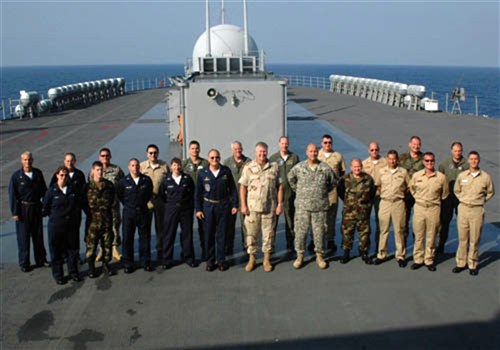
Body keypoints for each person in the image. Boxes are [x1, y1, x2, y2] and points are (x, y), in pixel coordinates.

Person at [288, 143, 337, 270]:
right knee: (300, 232)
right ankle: (300, 256)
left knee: (319, 232)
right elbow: (291, 179)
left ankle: (319, 256)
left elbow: (333, 182)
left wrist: (322, 193)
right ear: (306, 152)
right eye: (311, 151)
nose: (313, 153)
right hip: (303, 207)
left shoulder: (325, 168)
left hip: (319, 207)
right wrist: (299, 191)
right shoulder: (299, 167)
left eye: (315, 151)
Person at [239, 142, 283, 272]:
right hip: (252, 209)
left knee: (268, 235)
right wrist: (243, 205)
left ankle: (266, 260)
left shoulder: (274, 167)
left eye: (264, 152)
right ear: (255, 152)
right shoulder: (248, 167)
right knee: (251, 235)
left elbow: (279, 187)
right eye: (260, 152)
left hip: (269, 208)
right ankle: (252, 259)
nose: (262, 154)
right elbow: (243, 187)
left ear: (267, 152)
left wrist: (280, 204)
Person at [195, 149, 238, 272]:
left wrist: (235, 204)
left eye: (217, 157)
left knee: (221, 234)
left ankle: (221, 260)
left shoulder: (225, 171)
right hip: (208, 206)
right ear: (208, 159)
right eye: (212, 158)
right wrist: (198, 209)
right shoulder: (203, 173)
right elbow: (198, 193)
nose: (215, 160)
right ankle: (210, 261)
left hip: (223, 206)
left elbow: (233, 189)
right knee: (208, 234)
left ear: (219, 158)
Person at [452, 151, 495, 276]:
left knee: (474, 239)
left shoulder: (485, 177)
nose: (473, 161)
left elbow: (491, 192)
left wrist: (481, 201)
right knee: (462, 238)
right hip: (464, 209)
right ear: (468, 161)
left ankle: (472, 264)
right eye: (471, 159)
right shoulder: (462, 176)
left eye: (476, 159)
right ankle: (461, 263)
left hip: (477, 210)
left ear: (479, 160)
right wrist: (462, 199)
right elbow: (456, 190)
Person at [8, 151, 49, 272]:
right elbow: (13, 195)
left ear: (33, 160)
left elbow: (44, 191)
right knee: (23, 238)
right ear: (21, 161)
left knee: (38, 236)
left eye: (29, 159)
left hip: (36, 208)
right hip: (23, 209)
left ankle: (41, 259)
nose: (27, 162)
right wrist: (15, 212)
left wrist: (45, 206)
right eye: (25, 160)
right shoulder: (16, 176)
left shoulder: (37, 173)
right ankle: (24, 263)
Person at [409, 152, 448, 271]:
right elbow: (412, 189)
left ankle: (429, 259)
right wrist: (419, 199)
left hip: (433, 208)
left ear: (434, 161)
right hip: (420, 207)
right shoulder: (416, 176)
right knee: (419, 234)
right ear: (423, 162)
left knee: (431, 235)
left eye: (431, 161)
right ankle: (418, 259)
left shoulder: (441, 177)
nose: (429, 163)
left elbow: (444, 193)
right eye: (427, 161)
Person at [43, 166, 81, 284]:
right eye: (61, 175)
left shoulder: (73, 189)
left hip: (71, 226)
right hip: (56, 226)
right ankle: (58, 275)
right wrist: (57, 217)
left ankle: (73, 272)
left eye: (66, 175)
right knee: (56, 251)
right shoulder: (51, 191)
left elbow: (77, 205)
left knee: (73, 250)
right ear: (57, 175)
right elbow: (45, 208)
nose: (64, 177)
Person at [372, 150, 410, 267]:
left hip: (398, 203)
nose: (392, 161)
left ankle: (400, 256)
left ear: (397, 159)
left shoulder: (403, 172)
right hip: (385, 203)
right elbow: (378, 185)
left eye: (394, 159)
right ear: (387, 159)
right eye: (390, 158)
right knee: (383, 230)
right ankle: (381, 254)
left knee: (399, 230)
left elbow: (408, 187)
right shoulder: (381, 171)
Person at [117, 158, 154, 273]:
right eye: (132, 165)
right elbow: (120, 195)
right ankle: (128, 263)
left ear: (140, 167)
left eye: (137, 165)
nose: (135, 168)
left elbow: (148, 193)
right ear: (129, 167)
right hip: (129, 212)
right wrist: (129, 205)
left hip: (143, 211)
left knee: (144, 237)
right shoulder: (123, 181)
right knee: (127, 238)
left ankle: (145, 261)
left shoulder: (146, 180)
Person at [158, 158, 196, 269]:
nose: (177, 167)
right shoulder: (166, 180)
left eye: (178, 165)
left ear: (181, 166)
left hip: (185, 209)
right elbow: (162, 195)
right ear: (171, 166)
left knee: (187, 234)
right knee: (169, 234)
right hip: (171, 209)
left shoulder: (187, 179)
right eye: (174, 165)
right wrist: (170, 204)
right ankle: (167, 259)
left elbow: (192, 192)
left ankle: (188, 257)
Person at [337, 158, 376, 264]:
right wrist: (349, 203)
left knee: (364, 233)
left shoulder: (368, 179)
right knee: (347, 232)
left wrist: (366, 206)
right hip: (349, 213)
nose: (357, 168)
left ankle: (364, 252)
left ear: (361, 167)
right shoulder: (345, 179)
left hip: (363, 212)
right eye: (354, 167)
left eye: (358, 166)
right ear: (351, 167)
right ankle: (346, 252)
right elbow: (340, 192)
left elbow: (372, 193)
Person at [84, 161, 116, 278]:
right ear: (92, 171)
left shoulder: (109, 185)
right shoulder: (87, 187)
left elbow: (112, 200)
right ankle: (91, 267)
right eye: (97, 170)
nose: (100, 172)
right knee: (91, 246)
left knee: (107, 244)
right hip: (92, 221)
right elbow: (83, 203)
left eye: (101, 170)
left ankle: (106, 265)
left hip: (106, 219)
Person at [437, 141, 468, 253]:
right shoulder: (444, 164)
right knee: (444, 222)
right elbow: (439, 179)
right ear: (451, 151)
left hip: (462, 198)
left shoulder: (467, 165)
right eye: (455, 151)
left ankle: (464, 247)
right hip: (448, 197)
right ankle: (440, 245)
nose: (457, 153)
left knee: (463, 223)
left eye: (459, 151)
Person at [269, 136, 299, 252]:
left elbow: (298, 174)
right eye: (282, 143)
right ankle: (271, 245)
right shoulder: (273, 158)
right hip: (276, 195)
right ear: (279, 144)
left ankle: (290, 244)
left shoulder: (294, 157)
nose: (284, 146)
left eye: (286, 144)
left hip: (291, 195)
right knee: (273, 222)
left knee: (290, 221)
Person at [94, 148, 124, 262]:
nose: (105, 158)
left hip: (113, 204)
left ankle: (115, 247)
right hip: (100, 206)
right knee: (101, 227)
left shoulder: (116, 170)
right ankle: (102, 249)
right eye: (102, 156)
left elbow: (122, 184)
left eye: (107, 155)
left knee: (115, 225)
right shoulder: (94, 171)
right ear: (99, 157)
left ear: (110, 156)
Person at [140, 144, 169, 261]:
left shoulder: (164, 166)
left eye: (155, 152)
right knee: (145, 229)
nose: (153, 155)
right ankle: (145, 252)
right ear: (147, 154)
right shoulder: (142, 166)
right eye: (150, 153)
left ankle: (160, 250)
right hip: (146, 203)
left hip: (160, 202)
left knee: (160, 228)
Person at [317, 134, 345, 252]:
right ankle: (317, 240)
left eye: (329, 142)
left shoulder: (337, 156)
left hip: (332, 190)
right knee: (318, 215)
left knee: (331, 215)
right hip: (319, 190)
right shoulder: (316, 155)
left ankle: (330, 239)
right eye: (325, 142)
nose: (327, 144)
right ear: (322, 143)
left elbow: (342, 171)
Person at [182, 140, 209, 260]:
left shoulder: (206, 163)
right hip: (187, 199)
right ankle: (187, 252)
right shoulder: (184, 164)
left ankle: (206, 250)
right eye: (192, 148)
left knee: (203, 227)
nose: (195, 150)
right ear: (189, 150)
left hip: (202, 199)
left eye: (197, 148)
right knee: (186, 227)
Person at [223, 141, 251, 255]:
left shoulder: (249, 162)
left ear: (242, 149)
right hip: (231, 200)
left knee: (247, 225)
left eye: (239, 149)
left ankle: (247, 247)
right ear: (232, 150)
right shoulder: (227, 163)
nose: (238, 151)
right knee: (230, 225)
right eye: (235, 149)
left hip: (246, 199)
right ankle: (229, 247)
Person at [362, 142, 387, 251]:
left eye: (376, 150)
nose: (374, 152)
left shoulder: (385, 162)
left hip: (380, 195)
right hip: (367, 195)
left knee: (380, 221)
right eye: (372, 150)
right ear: (369, 151)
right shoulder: (364, 163)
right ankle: (365, 246)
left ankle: (379, 246)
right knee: (365, 221)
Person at [399, 136, 424, 241]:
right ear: (410, 144)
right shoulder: (403, 158)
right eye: (414, 144)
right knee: (403, 221)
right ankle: (402, 248)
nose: (416, 146)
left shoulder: (424, 158)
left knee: (418, 222)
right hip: (405, 194)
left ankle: (417, 247)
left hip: (419, 194)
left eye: (418, 144)